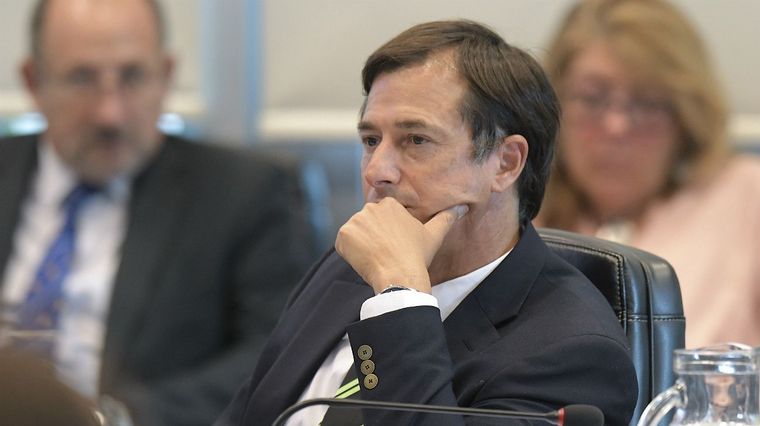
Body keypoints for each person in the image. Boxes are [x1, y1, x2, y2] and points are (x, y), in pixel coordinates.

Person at [216, 19, 638, 426]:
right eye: (371, 140)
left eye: (416, 140)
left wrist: (399, 296)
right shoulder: (345, 270)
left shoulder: (572, 354)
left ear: (505, 163)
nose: (377, 171)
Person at [0, 0, 312, 424]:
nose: (110, 114)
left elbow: (281, 353)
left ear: (166, 75)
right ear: (33, 81)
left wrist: (114, 418)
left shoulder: (243, 194)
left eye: (132, 76)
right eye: (81, 78)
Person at [536, 0, 760, 348]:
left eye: (647, 103)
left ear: (686, 117)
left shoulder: (745, 196)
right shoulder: (514, 211)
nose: (617, 126)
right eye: (592, 98)